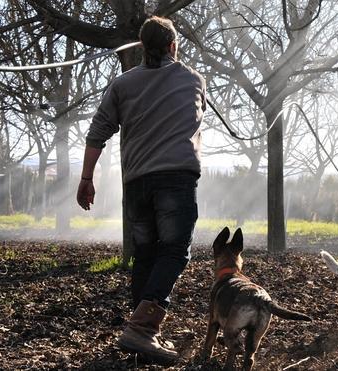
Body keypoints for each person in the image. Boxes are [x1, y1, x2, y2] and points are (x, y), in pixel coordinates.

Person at [76, 16, 205, 365]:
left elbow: (96, 134)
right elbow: (196, 116)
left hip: (136, 184)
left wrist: (86, 179)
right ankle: (143, 330)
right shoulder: (193, 79)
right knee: (176, 252)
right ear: (173, 46)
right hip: (175, 180)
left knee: (146, 256)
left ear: (140, 47)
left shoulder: (122, 85)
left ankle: (144, 334)